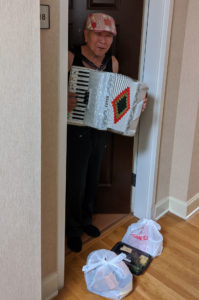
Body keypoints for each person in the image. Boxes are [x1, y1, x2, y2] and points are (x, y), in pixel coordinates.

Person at [66, 13, 118, 252]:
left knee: (91, 179)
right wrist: (63, 101)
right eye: (98, 33)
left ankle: (86, 221)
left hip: (99, 131)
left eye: (109, 36)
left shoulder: (113, 63)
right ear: (86, 34)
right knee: (74, 183)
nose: (103, 40)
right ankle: (72, 229)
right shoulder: (69, 58)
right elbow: (48, 92)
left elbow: (115, 97)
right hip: (75, 132)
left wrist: (135, 104)